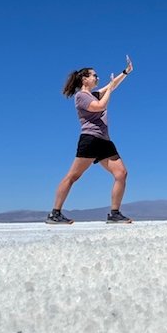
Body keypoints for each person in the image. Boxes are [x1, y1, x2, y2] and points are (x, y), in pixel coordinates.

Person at [46, 56, 134, 225]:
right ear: (84, 79)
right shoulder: (81, 96)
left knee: (121, 173)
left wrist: (125, 72)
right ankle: (54, 214)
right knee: (73, 176)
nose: (97, 77)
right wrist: (108, 91)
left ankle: (114, 214)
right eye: (94, 75)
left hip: (104, 141)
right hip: (90, 139)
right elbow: (100, 106)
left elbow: (112, 85)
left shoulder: (93, 95)